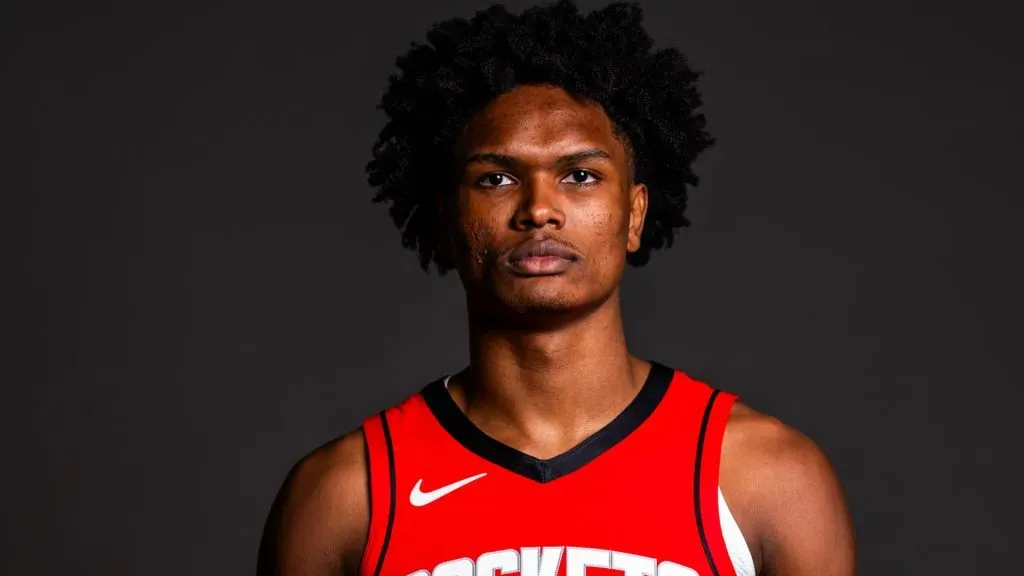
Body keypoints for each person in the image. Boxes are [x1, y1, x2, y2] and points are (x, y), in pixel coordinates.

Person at [256, 1, 855, 575]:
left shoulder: (767, 479)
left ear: (635, 214)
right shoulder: (345, 496)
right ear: (445, 218)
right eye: (495, 178)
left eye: (580, 175)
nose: (539, 209)